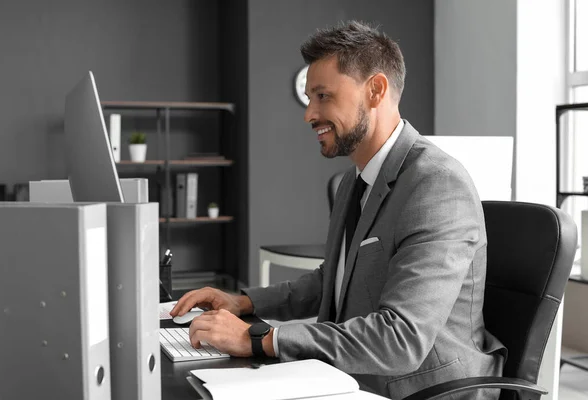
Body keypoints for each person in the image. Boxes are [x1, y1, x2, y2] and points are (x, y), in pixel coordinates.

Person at [170, 20, 505, 399]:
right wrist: (244, 302)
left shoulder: (437, 185)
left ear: (375, 89)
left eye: (323, 96)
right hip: (350, 376)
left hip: (425, 389)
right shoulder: (354, 181)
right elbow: (335, 278)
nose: (309, 113)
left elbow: (402, 339)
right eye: (310, 98)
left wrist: (260, 337)